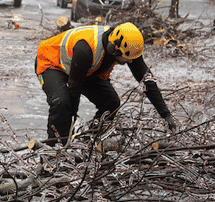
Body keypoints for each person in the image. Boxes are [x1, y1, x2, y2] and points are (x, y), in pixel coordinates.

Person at [35, 22, 176, 143]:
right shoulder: (86, 49)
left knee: (111, 102)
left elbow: (146, 79)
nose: (131, 62)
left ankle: (90, 140)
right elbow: (74, 91)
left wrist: (166, 114)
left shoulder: (126, 46)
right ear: (113, 48)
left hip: (84, 69)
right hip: (52, 63)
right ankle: (55, 148)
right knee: (62, 102)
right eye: (127, 58)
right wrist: (68, 132)